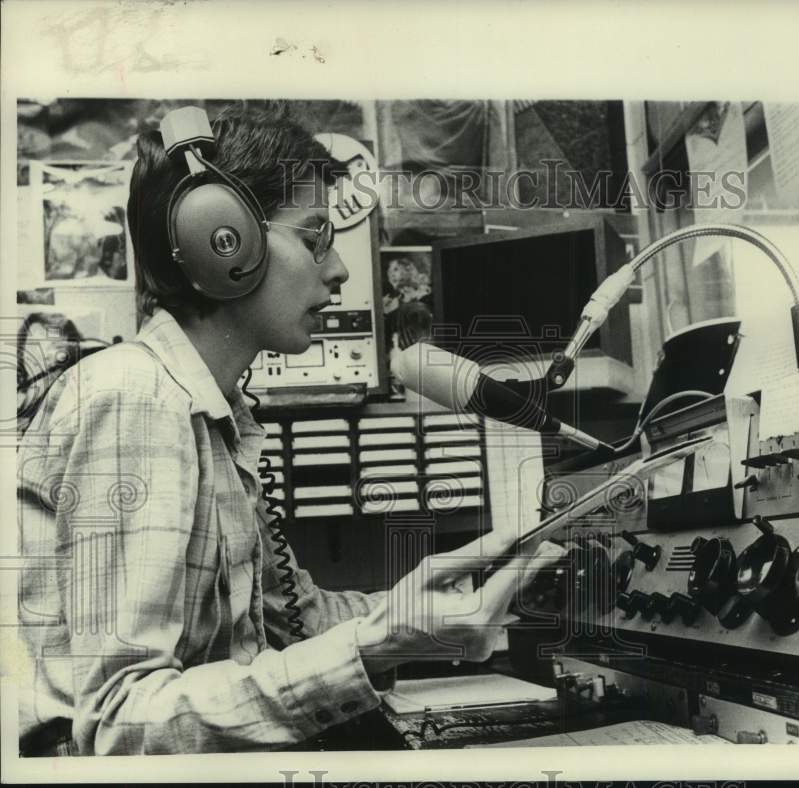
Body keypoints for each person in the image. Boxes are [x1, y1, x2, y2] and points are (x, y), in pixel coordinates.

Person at [16, 102, 561, 756]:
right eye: (314, 239)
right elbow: (120, 726)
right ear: (226, 246)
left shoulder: (211, 415)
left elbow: (294, 619)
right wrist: (382, 642)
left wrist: (418, 608)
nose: (338, 272)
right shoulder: (136, 398)